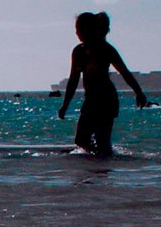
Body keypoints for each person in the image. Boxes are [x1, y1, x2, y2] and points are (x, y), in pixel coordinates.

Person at [56, 11, 147, 157]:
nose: (77, 33)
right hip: (90, 100)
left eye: (79, 30)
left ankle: (104, 171)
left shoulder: (106, 49)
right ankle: (96, 164)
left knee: (103, 141)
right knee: (81, 139)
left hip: (107, 100)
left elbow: (124, 72)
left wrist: (139, 93)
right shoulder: (78, 52)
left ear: (88, 29)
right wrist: (65, 105)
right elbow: (73, 80)